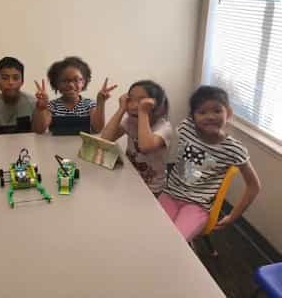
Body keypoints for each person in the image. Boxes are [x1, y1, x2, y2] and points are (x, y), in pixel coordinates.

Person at [158, 86, 261, 241]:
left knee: (173, 242)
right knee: (153, 231)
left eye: (217, 111)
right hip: (170, 194)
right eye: (202, 112)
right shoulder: (186, 128)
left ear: (229, 113)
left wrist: (233, 215)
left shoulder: (234, 149)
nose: (210, 117)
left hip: (196, 206)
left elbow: (254, 185)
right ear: (192, 117)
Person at [101, 80, 172, 195]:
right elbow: (105, 139)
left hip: (152, 187)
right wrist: (121, 109)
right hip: (130, 178)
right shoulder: (130, 122)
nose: (133, 106)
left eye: (141, 101)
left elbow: (144, 146)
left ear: (157, 106)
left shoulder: (164, 129)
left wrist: (143, 112)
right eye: (130, 100)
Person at [32, 56, 116, 133]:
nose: (71, 85)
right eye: (65, 81)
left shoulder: (89, 104)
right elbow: (39, 130)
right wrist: (41, 109)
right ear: (56, 83)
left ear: (83, 82)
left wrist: (101, 103)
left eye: (76, 80)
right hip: (56, 147)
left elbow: (98, 129)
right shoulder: (52, 106)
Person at [0, 56, 36, 134]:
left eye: (15, 78)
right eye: (5, 78)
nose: (11, 82)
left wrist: (42, 110)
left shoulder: (33, 103)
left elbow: (37, 136)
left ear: (22, 81)